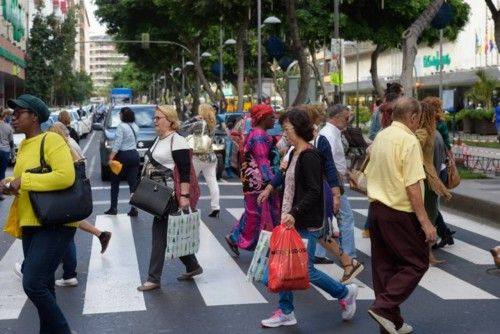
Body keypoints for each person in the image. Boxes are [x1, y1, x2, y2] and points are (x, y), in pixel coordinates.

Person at [258, 109, 358, 328]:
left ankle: (345, 292)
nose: (283, 134)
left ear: (299, 129)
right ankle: (286, 311)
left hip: (304, 221)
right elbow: (285, 174)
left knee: (304, 270)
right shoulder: (294, 152)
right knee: (282, 268)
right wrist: (270, 187)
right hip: (291, 219)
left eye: (287, 129)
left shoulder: (310, 155)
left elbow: (314, 191)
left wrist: (294, 213)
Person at [1, 94, 78, 333]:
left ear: (34, 117)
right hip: (31, 222)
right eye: (12, 113)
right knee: (45, 284)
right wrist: (9, 183)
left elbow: (65, 176)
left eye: (19, 113)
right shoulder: (24, 145)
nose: (13, 117)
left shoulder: (52, 141)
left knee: (32, 283)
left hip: (54, 222)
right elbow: (28, 182)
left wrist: (23, 180)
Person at [365, 97, 437, 334]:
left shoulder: (381, 136)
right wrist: (426, 222)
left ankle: (391, 322)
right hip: (399, 211)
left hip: (376, 209)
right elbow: (413, 185)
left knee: (383, 267)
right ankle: (384, 308)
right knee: (417, 262)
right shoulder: (408, 140)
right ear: (413, 117)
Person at [137, 105, 203, 291]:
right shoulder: (160, 139)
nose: (155, 121)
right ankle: (192, 265)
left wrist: (184, 196)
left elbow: (184, 172)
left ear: (170, 120)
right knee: (174, 232)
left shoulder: (178, 141)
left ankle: (153, 278)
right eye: (155, 118)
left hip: (172, 196)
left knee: (159, 234)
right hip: (160, 193)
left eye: (159, 118)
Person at [46, 123, 111, 287]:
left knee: (66, 232)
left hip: (66, 194)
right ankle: (101, 234)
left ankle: (68, 273)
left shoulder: (61, 148)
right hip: (75, 193)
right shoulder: (71, 143)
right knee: (68, 228)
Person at [224, 104, 281, 256]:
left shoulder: (256, 133)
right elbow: (263, 161)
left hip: (254, 182)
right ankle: (265, 247)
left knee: (253, 213)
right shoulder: (259, 135)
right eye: (271, 117)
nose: (274, 120)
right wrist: (272, 183)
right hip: (260, 183)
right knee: (262, 215)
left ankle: (235, 237)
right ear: (263, 118)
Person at [319, 104, 357, 259]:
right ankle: (349, 255)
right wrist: (336, 185)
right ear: (336, 117)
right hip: (332, 181)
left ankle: (319, 252)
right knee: (345, 218)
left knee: (327, 217)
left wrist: (346, 173)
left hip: (332, 180)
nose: (349, 121)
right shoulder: (329, 134)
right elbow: (329, 162)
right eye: (347, 118)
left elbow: (334, 160)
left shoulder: (330, 132)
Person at [417, 100, 452, 265]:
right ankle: (427, 254)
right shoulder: (432, 134)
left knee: (425, 217)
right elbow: (438, 162)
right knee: (430, 216)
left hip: (421, 180)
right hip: (430, 180)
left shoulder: (421, 134)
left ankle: (425, 254)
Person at [105, 107, 140, 216]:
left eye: (120, 114)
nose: (119, 116)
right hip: (134, 155)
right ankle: (134, 208)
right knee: (132, 183)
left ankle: (113, 208)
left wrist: (111, 157)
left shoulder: (121, 127)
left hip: (122, 156)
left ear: (123, 115)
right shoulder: (135, 126)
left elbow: (117, 144)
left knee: (115, 182)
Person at [188, 103, 220, 217]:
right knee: (212, 182)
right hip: (210, 157)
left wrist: (192, 119)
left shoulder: (198, 123)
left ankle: (190, 205)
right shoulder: (212, 123)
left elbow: (183, 129)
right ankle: (215, 206)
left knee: (191, 182)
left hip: (198, 156)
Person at [0, 107, 15, 200]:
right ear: (4, 116)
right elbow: (11, 143)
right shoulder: (8, 127)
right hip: (5, 152)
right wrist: (13, 155)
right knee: (1, 173)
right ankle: (0, 192)